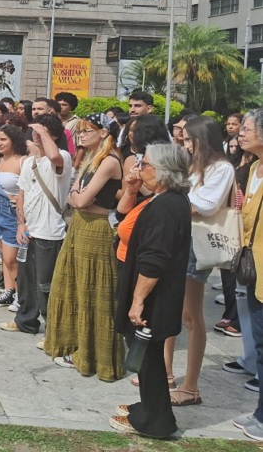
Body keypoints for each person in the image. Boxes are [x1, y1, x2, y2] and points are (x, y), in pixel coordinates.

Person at [109, 144, 192, 439]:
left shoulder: (167, 206)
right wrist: (133, 188)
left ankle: (156, 420)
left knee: (149, 356)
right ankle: (149, 408)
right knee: (147, 355)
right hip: (155, 292)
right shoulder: (166, 199)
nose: (139, 167)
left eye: (145, 164)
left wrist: (138, 300)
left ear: (162, 171)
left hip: (155, 295)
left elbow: (155, 258)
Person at [160, 115, 236, 407]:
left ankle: (190, 385)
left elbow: (207, 205)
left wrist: (178, 203)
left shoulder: (221, 167)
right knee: (170, 309)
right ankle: (165, 372)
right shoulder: (191, 164)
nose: (185, 143)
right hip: (178, 237)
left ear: (202, 139)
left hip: (197, 243)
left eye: (189, 138)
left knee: (191, 316)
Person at [45, 113, 124, 381]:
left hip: (96, 227)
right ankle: (74, 343)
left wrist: (78, 197)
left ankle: (93, 355)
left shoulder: (111, 160)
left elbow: (81, 198)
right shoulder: (92, 158)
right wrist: (78, 196)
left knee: (93, 290)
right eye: (79, 131)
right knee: (72, 284)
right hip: (80, 224)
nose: (81, 135)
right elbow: (74, 194)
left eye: (88, 130)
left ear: (103, 132)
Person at [1, 115, 71, 336]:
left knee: (45, 284)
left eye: (42, 132)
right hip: (29, 230)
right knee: (26, 279)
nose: (36, 135)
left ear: (54, 135)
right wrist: (21, 224)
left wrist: (44, 133)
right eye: (35, 132)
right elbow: (21, 193)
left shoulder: (63, 157)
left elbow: (54, 156)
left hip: (50, 232)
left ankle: (52, 330)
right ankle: (25, 320)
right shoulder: (30, 162)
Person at [232, 108, 263, 441]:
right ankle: (260, 412)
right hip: (252, 268)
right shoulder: (253, 168)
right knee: (261, 342)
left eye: (248, 128)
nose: (241, 133)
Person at [0, 125, 28, 308]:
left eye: (4, 139)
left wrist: (18, 200)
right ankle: (8, 291)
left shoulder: (23, 161)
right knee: (4, 255)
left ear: (14, 140)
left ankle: (21, 295)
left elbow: (28, 189)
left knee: (12, 259)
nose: (0, 143)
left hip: (13, 215)